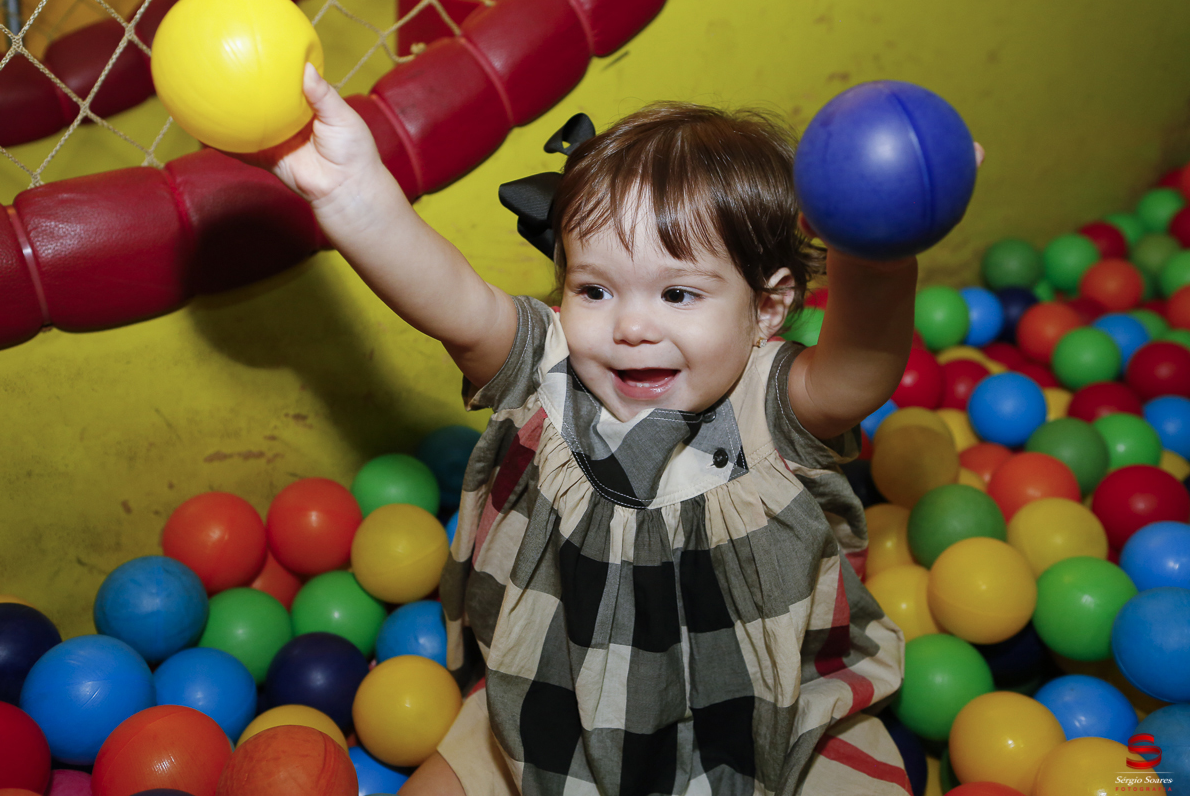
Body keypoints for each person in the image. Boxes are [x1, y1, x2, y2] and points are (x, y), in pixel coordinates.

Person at [256, 62, 980, 795]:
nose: (632, 326)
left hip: (759, 716)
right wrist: (354, 197)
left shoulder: (767, 400)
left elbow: (859, 370)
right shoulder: (553, 366)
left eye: (678, 293)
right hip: (553, 699)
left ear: (766, 309)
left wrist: (878, 251)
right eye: (594, 287)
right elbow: (454, 301)